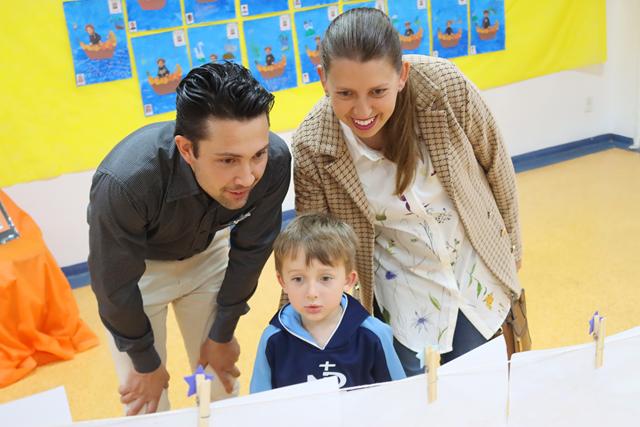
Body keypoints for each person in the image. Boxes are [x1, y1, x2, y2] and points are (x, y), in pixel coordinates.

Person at [292, 8, 529, 377]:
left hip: (475, 276)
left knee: (488, 388)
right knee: (416, 399)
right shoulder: (313, 145)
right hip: (401, 295)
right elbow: (313, 246)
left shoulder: (443, 87)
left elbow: (496, 163)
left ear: (401, 75)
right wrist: (297, 326)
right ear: (323, 79)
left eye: (378, 91)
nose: (363, 110)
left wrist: (511, 246)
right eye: (345, 93)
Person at [88, 61, 291, 415]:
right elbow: (113, 286)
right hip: (139, 273)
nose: (247, 177)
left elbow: (252, 249)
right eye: (227, 161)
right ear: (186, 150)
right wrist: (145, 362)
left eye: (256, 155)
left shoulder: (274, 162)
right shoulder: (124, 183)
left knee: (220, 387)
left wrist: (222, 333)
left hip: (208, 254)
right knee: (147, 405)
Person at [250, 213, 405, 393]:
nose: (311, 293)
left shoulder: (374, 334)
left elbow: (399, 397)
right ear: (282, 281)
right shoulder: (272, 338)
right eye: (298, 279)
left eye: (325, 278)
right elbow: (259, 403)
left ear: (348, 280)